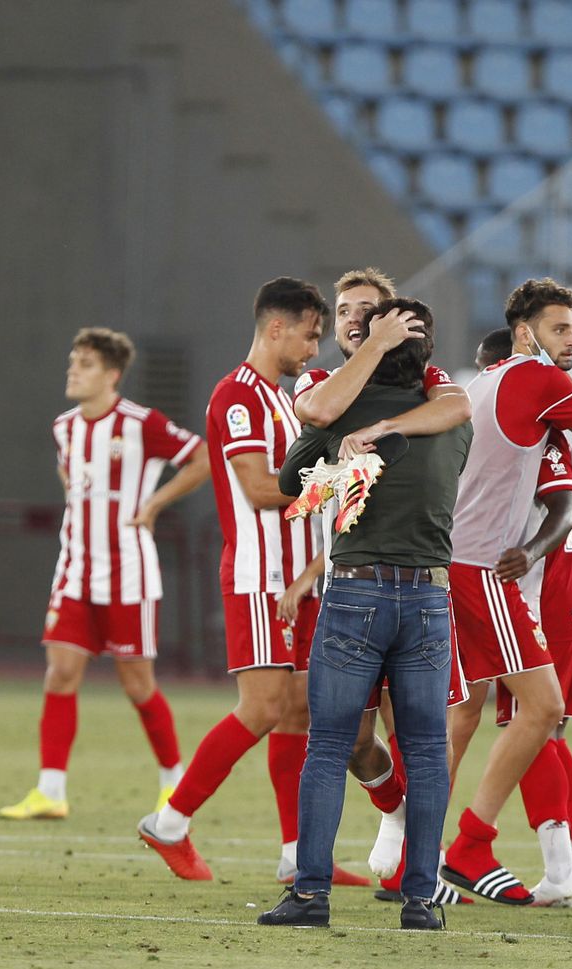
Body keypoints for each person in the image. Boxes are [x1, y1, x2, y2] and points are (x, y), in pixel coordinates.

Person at [259, 297, 470, 931]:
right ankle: (420, 900)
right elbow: (455, 405)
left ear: (369, 345)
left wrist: (343, 470)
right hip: (430, 597)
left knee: (326, 746)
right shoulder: (452, 419)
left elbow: (293, 484)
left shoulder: (339, 409)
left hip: (354, 591)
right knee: (428, 751)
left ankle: (311, 894)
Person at [137, 276, 328, 883]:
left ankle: (298, 857)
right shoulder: (237, 395)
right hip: (260, 576)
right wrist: (337, 484)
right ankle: (169, 823)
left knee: (298, 710)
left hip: (299, 576)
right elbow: (256, 488)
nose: (314, 349)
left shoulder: (281, 398)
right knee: (263, 706)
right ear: (277, 328)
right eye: (310, 334)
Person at [439, 278, 572, 905]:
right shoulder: (540, 382)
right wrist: (562, 374)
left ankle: (422, 849)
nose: (570, 342)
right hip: (487, 569)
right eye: (559, 329)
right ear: (523, 331)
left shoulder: (479, 383)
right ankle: (469, 843)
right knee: (541, 710)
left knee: (465, 713)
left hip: (459, 562)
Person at [0, 327, 208, 820]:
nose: (73, 370)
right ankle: (50, 791)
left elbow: (201, 458)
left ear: (112, 375)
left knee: (137, 684)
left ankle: (173, 783)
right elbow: (68, 472)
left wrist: (155, 502)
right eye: (73, 360)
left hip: (128, 573)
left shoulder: (141, 423)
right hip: (74, 569)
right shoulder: (65, 426)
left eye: (86, 364)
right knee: (60, 673)